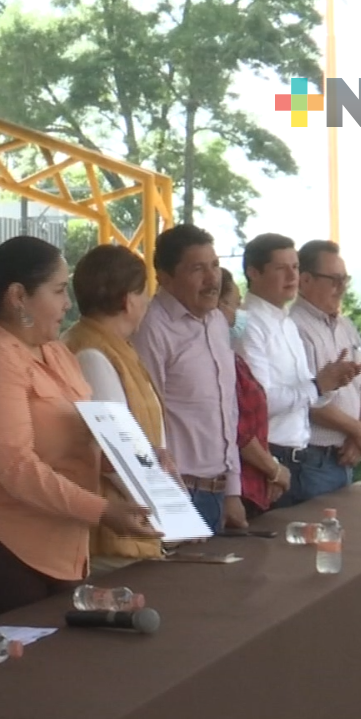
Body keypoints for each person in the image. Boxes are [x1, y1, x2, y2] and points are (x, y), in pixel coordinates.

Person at [0, 236, 158, 624]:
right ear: (18, 296)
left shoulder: (55, 351)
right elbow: (17, 468)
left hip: (63, 548)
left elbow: (89, 434)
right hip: (6, 550)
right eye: (59, 290)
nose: (68, 304)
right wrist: (103, 510)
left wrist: (145, 467)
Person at [132, 224, 244, 532]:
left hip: (218, 490)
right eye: (197, 269)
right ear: (165, 278)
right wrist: (167, 496)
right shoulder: (151, 328)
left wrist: (232, 490)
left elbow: (228, 409)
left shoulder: (217, 321)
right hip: (178, 491)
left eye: (215, 266)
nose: (212, 279)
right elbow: (144, 420)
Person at [236, 233, 361, 507]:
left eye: (295, 267)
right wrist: (317, 385)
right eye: (281, 268)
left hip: (299, 458)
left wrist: (332, 382)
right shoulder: (247, 324)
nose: (292, 276)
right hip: (270, 459)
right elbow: (258, 403)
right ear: (254, 273)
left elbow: (307, 394)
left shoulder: (286, 322)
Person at [64, 244, 167, 571]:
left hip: (135, 519)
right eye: (144, 293)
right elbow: (114, 451)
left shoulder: (116, 346)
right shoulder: (92, 354)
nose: (147, 301)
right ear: (127, 300)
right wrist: (164, 506)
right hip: (116, 531)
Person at [291, 239, 361, 487]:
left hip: (347, 455)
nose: (342, 288)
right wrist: (359, 431)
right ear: (305, 280)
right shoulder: (294, 327)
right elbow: (308, 399)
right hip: (313, 460)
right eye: (334, 280)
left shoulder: (346, 326)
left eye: (345, 279)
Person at [216, 269, 289, 517]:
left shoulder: (233, 359)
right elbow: (239, 431)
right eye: (236, 304)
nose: (240, 313)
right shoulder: (220, 363)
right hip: (237, 490)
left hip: (255, 484)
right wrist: (274, 470)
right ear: (219, 306)